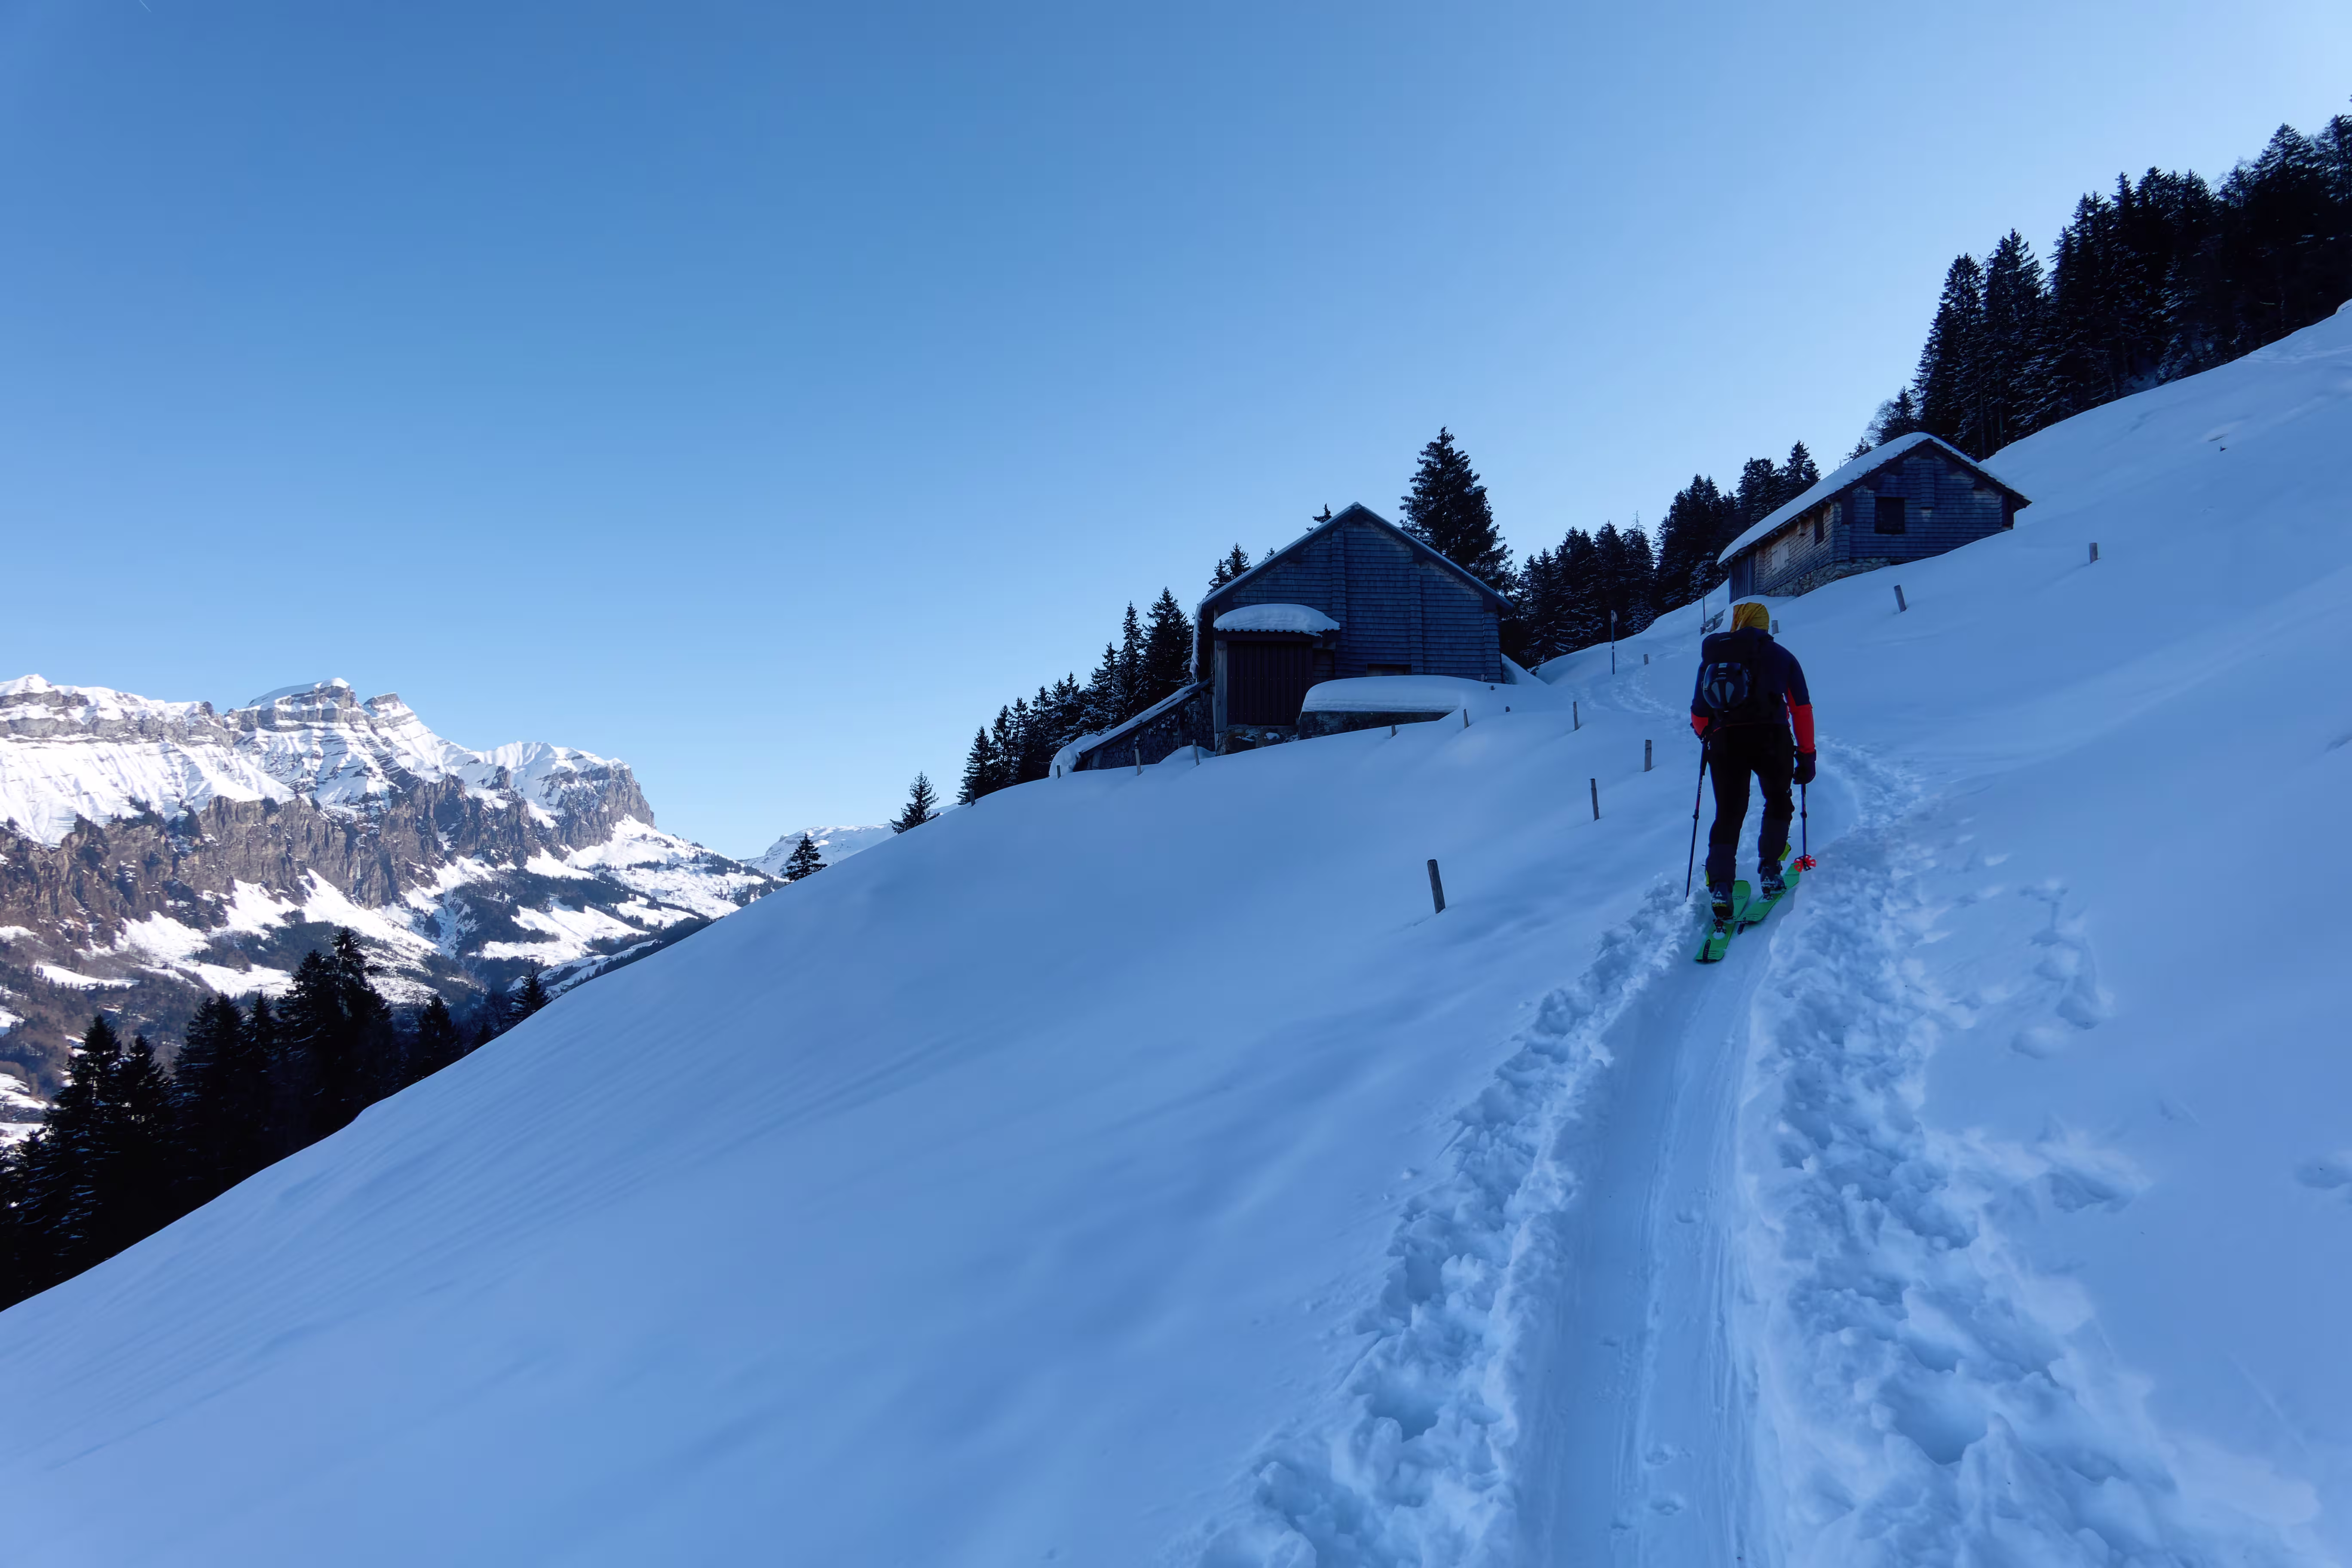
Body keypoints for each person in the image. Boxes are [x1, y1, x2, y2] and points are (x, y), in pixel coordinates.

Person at [1689, 601, 1815, 915]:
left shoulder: (1714, 657)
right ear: (1763, 623)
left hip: (1725, 741)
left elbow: (1699, 712)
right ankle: (1770, 869)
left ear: (1738, 621)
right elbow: (1801, 709)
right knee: (1777, 801)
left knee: (1728, 813)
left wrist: (1710, 737)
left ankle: (1720, 884)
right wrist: (1807, 754)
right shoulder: (1782, 656)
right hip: (1772, 739)